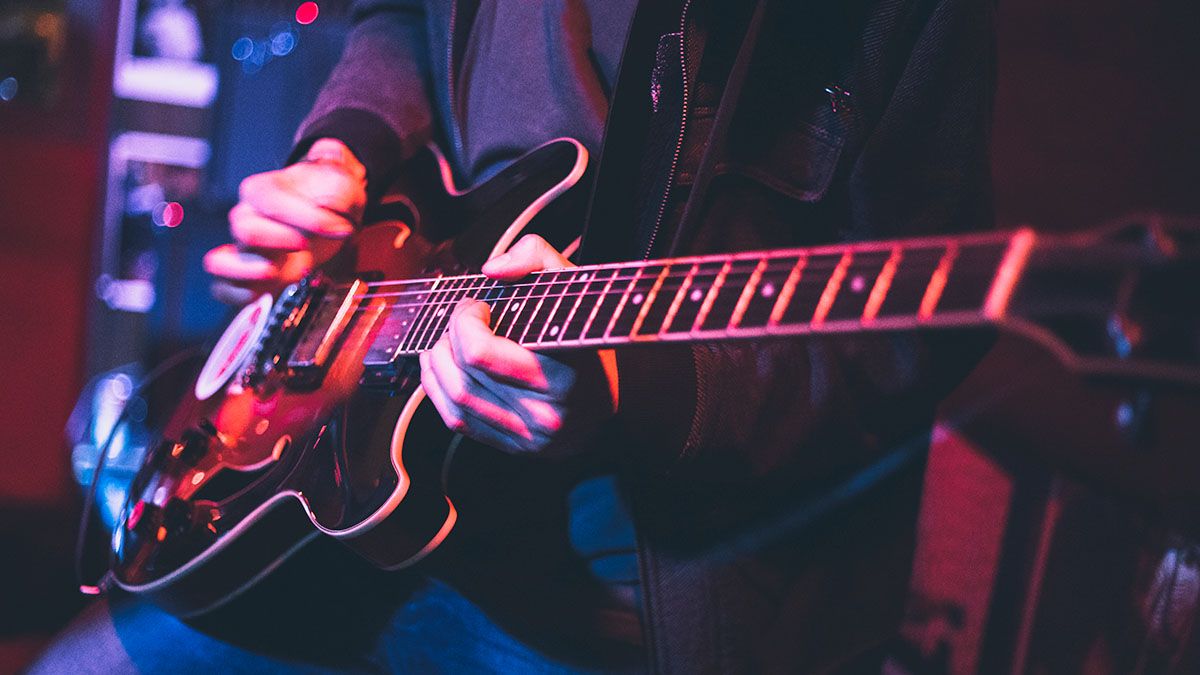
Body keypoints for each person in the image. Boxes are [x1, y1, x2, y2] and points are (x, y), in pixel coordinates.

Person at [31, 0, 995, 671]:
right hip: (345, 470)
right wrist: (344, 149)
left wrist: (625, 392)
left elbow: (897, 344)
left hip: (610, 597)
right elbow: (401, 16)